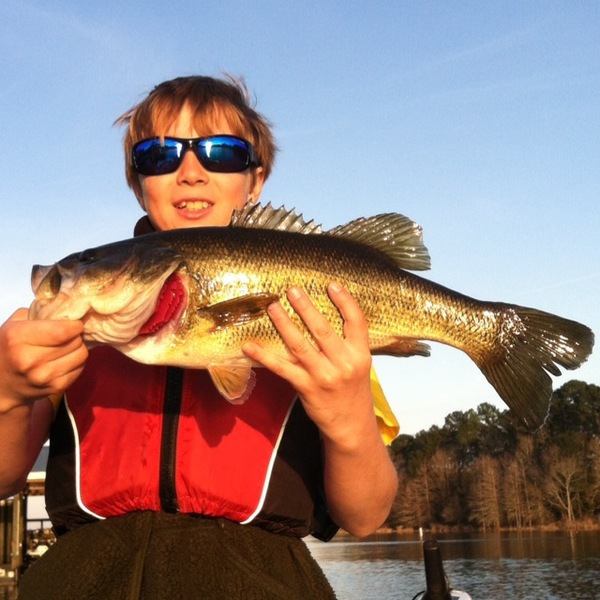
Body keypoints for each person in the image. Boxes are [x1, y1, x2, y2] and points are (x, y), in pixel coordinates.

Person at [0, 75, 398, 598]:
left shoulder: (323, 323)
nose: (191, 172)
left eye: (222, 152)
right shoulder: (67, 332)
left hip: (262, 581)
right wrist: (7, 395)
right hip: (84, 578)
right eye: (159, 155)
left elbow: (366, 516)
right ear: (138, 182)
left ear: (255, 180)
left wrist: (348, 422)